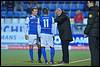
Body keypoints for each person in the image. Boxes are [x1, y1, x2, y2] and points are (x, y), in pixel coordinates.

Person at [84, 1, 99, 66]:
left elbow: (90, 23)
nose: (87, 4)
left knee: (93, 51)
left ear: (91, 2)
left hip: (93, 34)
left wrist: (85, 32)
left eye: (88, 3)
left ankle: (94, 64)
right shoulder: (97, 10)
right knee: (97, 50)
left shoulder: (92, 11)